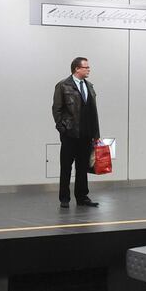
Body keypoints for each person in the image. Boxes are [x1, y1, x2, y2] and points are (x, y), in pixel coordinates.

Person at [52, 57, 100, 208]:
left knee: (82, 167)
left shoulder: (89, 86)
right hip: (70, 135)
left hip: (86, 135)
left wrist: (96, 134)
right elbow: (56, 109)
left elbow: (93, 111)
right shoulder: (63, 86)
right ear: (76, 69)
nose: (88, 69)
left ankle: (82, 197)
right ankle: (64, 198)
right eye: (86, 67)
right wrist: (62, 129)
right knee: (66, 167)